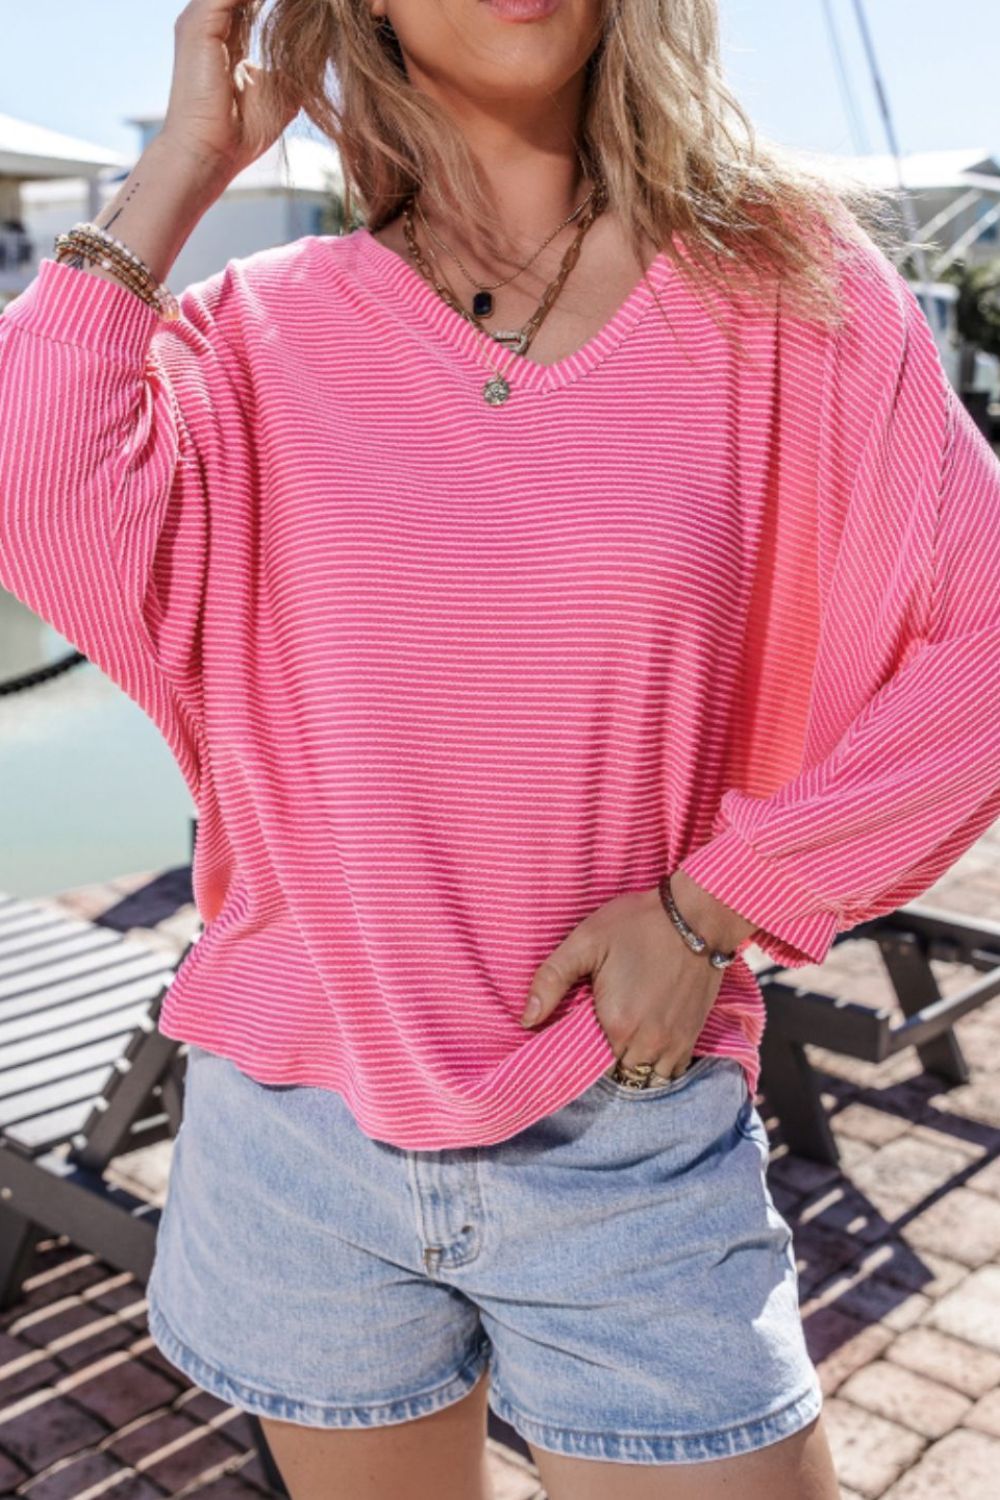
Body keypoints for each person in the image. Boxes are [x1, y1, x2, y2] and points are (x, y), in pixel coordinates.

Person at [2, 2, 999, 1496]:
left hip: (628, 1123)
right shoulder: (256, 334)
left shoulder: (789, 293)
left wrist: (717, 903)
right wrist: (184, 168)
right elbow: (34, 480)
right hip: (297, 1136)